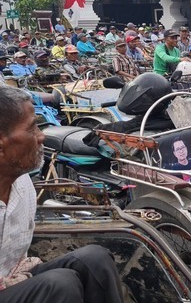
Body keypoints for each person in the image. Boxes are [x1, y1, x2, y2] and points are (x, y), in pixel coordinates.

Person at [0, 86, 124, 303]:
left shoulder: (22, 184)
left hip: (11, 279)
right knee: (59, 284)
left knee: (94, 259)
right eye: (31, 129)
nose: (41, 136)